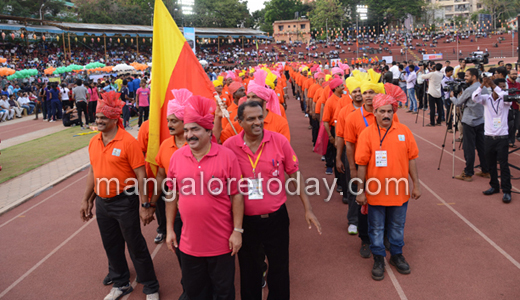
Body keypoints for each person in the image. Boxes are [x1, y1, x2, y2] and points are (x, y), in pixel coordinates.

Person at [223, 100, 321, 300]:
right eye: (251, 119)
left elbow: (295, 174)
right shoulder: (230, 146)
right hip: (246, 223)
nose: (258, 122)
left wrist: (307, 209)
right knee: (249, 271)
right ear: (239, 121)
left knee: (279, 269)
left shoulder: (279, 141)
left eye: (261, 117)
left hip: (276, 219)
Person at [79, 91, 160, 300]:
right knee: (111, 244)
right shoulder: (94, 141)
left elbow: (141, 176)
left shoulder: (128, 142)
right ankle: (121, 282)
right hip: (102, 204)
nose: (98, 121)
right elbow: (93, 172)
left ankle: (150, 285)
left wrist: (145, 206)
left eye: (103, 118)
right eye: (97, 117)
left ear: (115, 119)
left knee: (135, 244)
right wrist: (86, 200)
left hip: (125, 201)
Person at [164, 95, 243, 300]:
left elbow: (236, 195)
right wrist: (170, 229)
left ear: (208, 131)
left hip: (222, 244)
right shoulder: (177, 157)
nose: (189, 134)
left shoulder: (227, 156)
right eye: (188, 129)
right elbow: (172, 195)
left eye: (195, 129)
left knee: (223, 294)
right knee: (196, 293)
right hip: (189, 246)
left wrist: (237, 231)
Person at [355, 83, 421, 281]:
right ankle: (378, 258)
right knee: (376, 228)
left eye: (389, 111)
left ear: (394, 112)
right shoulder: (366, 134)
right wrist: (360, 191)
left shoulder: (404, 131)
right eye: (382, 111)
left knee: (397, 227)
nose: (386, 115)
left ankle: (397, 256)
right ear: (374, 113)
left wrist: (416, 184)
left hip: (400, 191)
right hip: (375, 192)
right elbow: (361, 165)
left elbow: (412, 159)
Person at [472, 77, 512, 203]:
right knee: (491, 165)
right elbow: (474, 97)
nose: (503, 89)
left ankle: (506, 190)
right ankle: (494, 186)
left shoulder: (506, 99)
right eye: (502, 86)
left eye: (504, 87)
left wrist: (494, 85)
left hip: (502, 137)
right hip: (489, 137)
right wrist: (483, 85)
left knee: (504, 165)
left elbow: (503, 94)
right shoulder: (486, 99)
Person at [451, 68, 489, 181]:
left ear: (474, 76)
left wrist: (452, 96)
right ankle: (485, 170)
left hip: (469, 122)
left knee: (469, 148)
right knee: (481, 147)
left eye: (467, 76)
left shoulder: (470, 89)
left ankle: (468, 173)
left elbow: (458, 103)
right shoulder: (485, 89)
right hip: (481, 121)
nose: (465, 78)